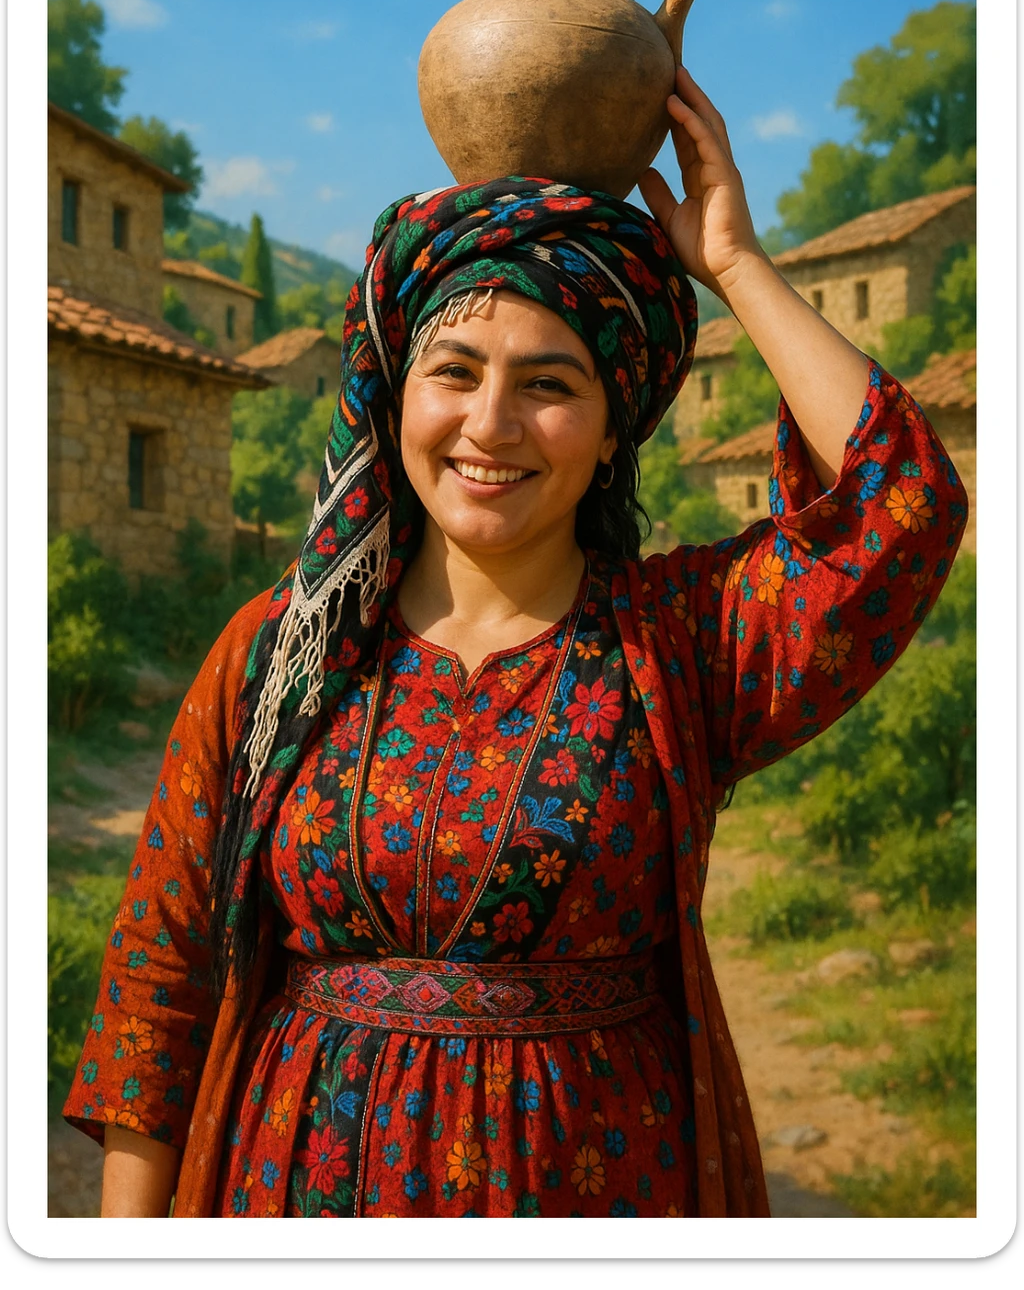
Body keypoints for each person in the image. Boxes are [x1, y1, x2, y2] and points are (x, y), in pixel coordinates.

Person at [64, 69, 968, 1218]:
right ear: (398, 395)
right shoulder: (283, 651)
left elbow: (904, 510)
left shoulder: (679, 644)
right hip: (294, 1196)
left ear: (611, 430)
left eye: (550, 385)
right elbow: (160, 986)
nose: (490, 426)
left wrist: (734, 263)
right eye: (454, 372)